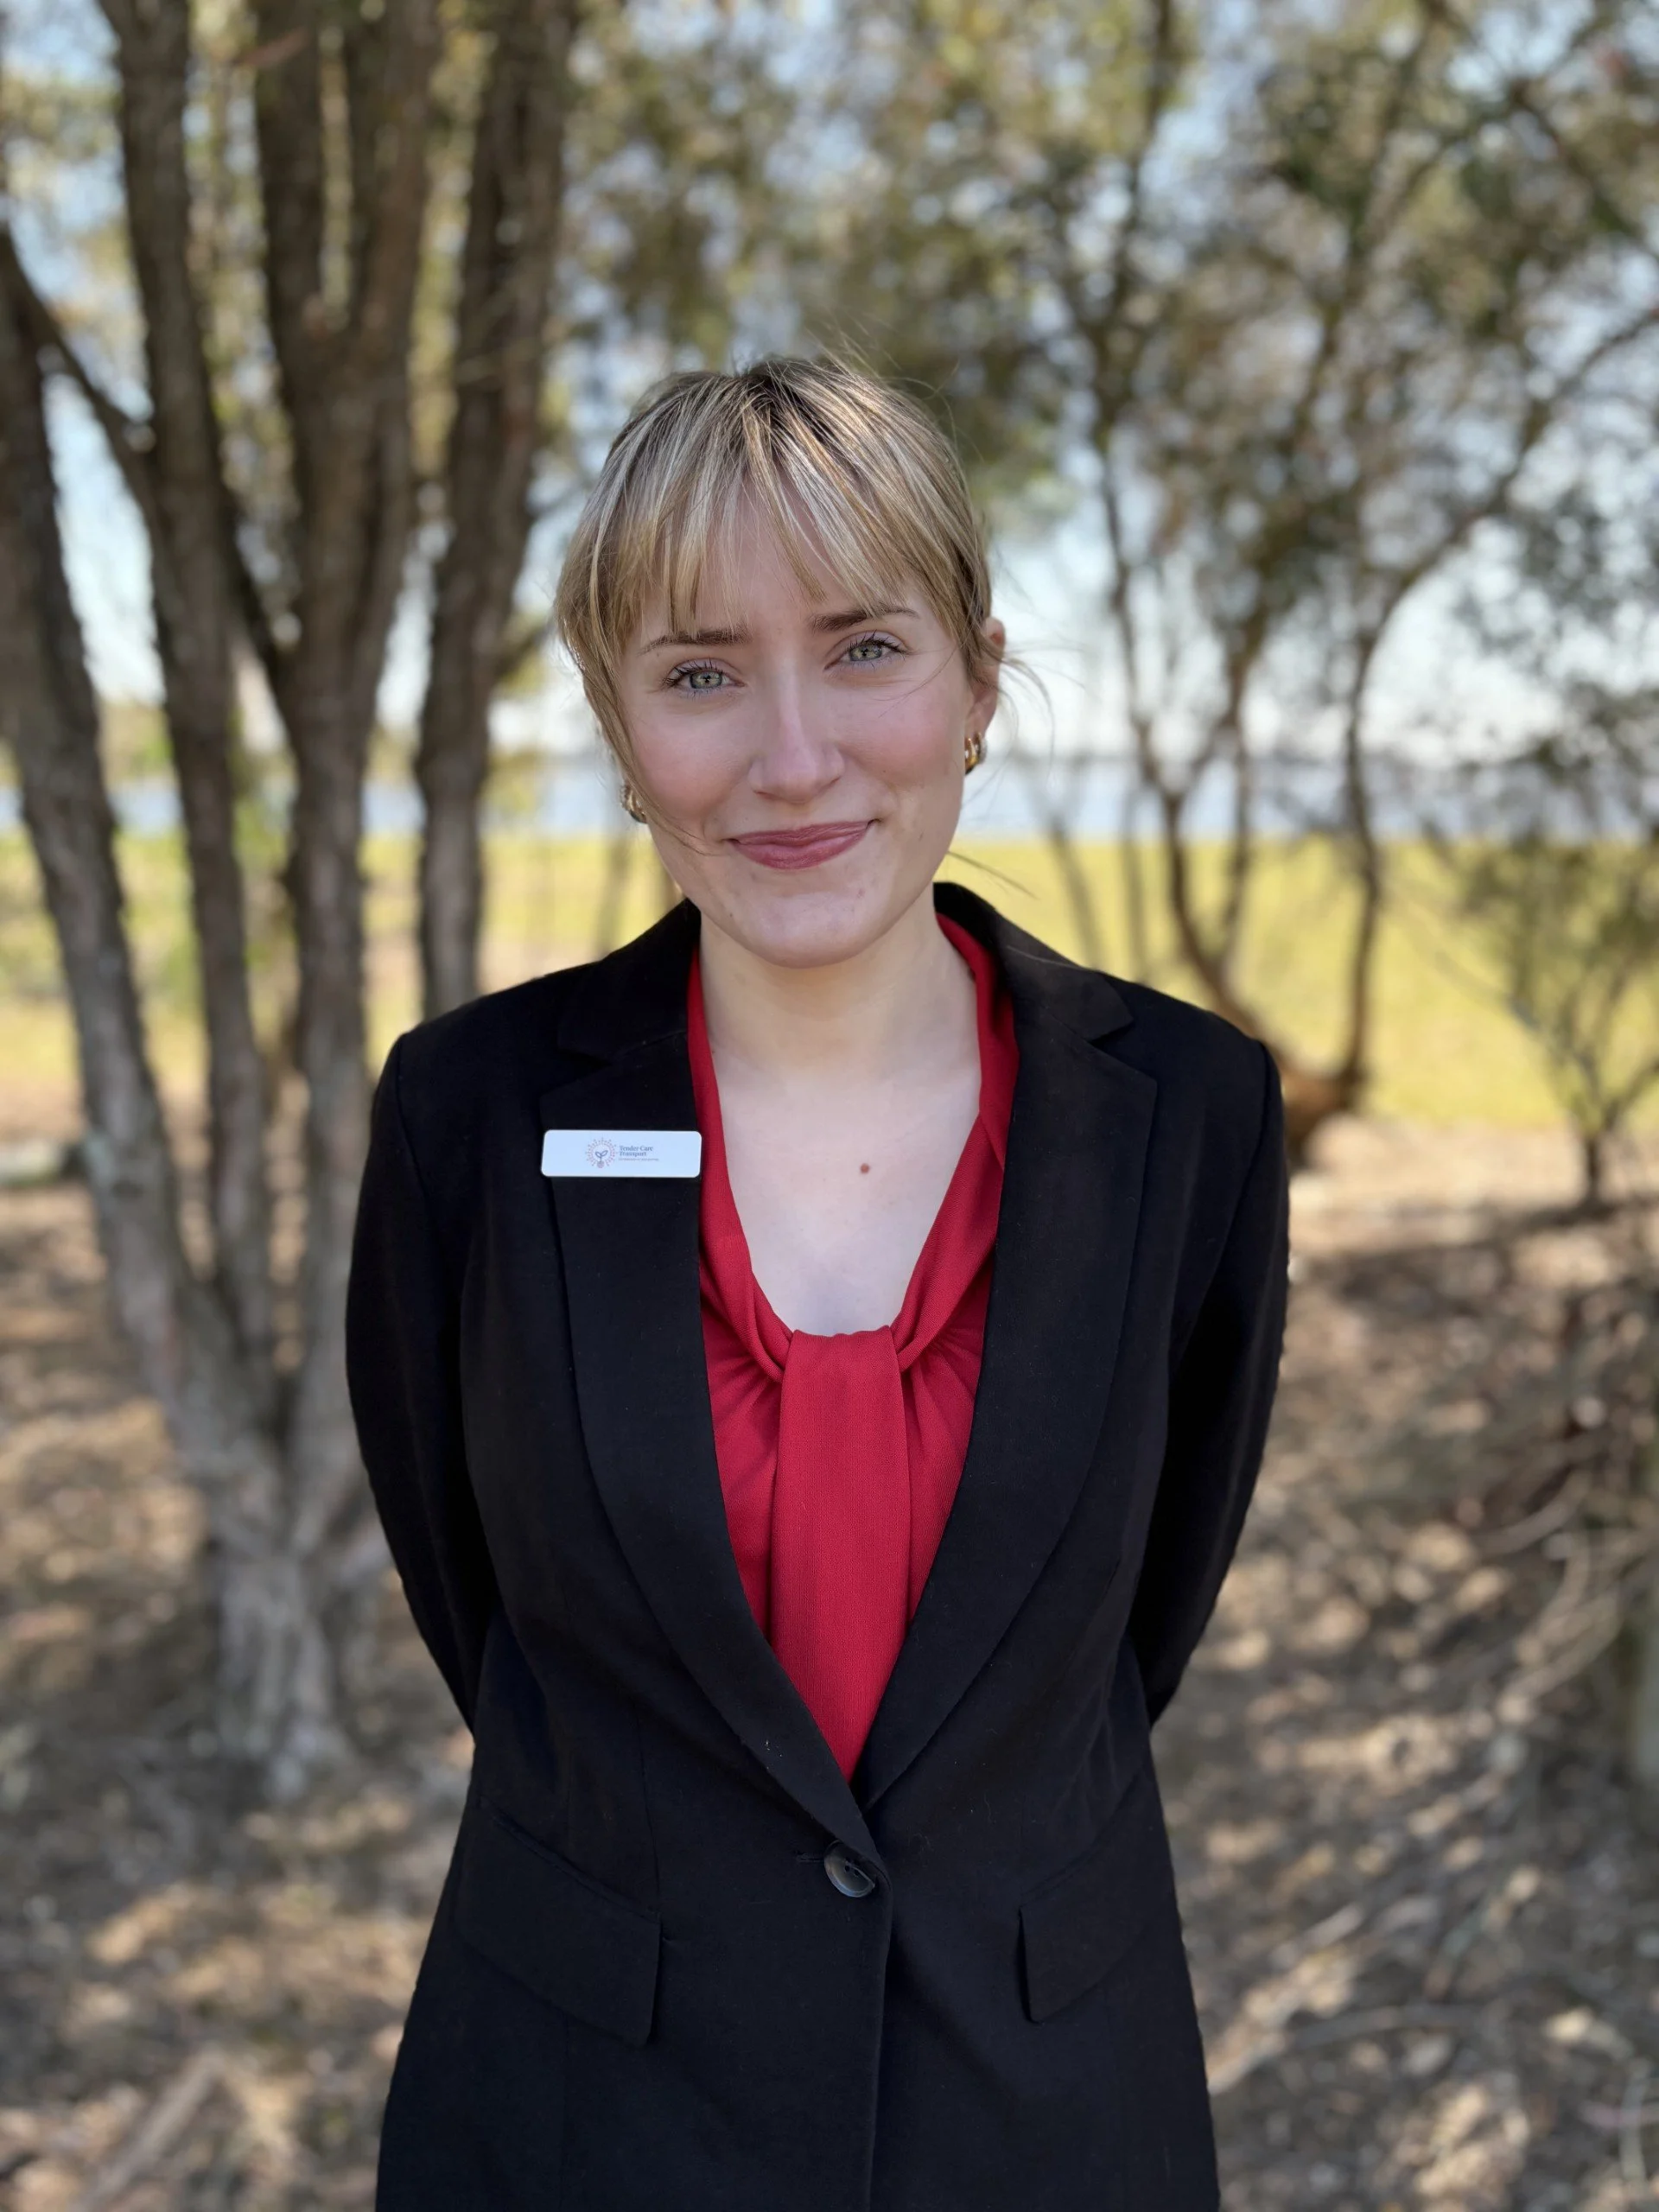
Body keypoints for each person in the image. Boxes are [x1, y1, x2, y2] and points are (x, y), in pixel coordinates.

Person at [346, 356, 1289, 2212]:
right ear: (623, 729)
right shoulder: (469, 1111)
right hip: (579, 2114)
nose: (791, 755)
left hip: (1044, 2111)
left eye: (865, 647)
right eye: (700, 672)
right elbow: (483, 1611)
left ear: (979, 678)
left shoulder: (1187, 1114)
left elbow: (1129, 1627)